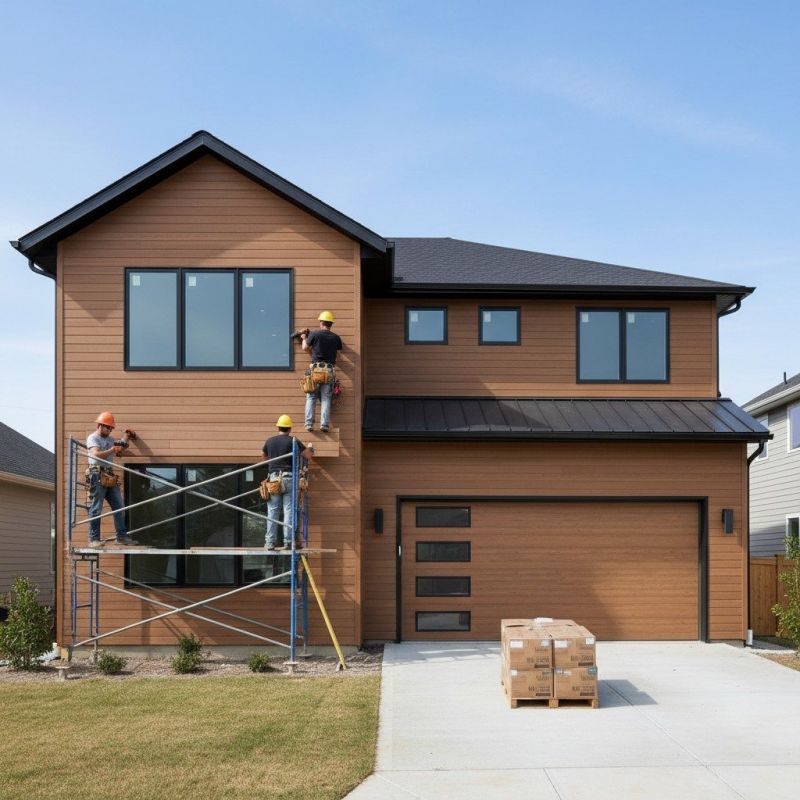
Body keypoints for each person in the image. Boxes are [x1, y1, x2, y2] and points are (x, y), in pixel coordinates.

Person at [262, 414, 314, 550]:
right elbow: (307, 455)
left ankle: (270, 542)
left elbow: (265, 458)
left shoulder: (269, 441)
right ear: (289, 428)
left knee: (272, 511)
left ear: (278, 427)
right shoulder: (293, 441)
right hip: (289, 477)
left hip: (273, 479)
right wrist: (310, 448)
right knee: (289, 510)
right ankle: (288, 541)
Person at [86, 411, 137, 547]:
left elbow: (119, 445)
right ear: (100, 425)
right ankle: (93, 539)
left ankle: (121, 536)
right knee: (96, 508)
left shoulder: (109, 439)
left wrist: (126, 437)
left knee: (119, 506)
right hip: (96, 473)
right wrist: (112, 450)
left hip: (108, 474)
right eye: (107, 427)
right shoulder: (93, 438)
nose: (109, 430)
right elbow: (96, 455)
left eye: (111, 428)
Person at [301, 310, 342, 432]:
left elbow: (305, 348)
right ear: (331, 324)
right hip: (329, 370)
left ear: (321, 322)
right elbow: (338, 354)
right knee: (326, 398)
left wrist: (304, 338)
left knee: (311, 397)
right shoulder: (336, 338)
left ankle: (309, 424)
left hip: (316, 369)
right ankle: (324, 425)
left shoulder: (314, 334)